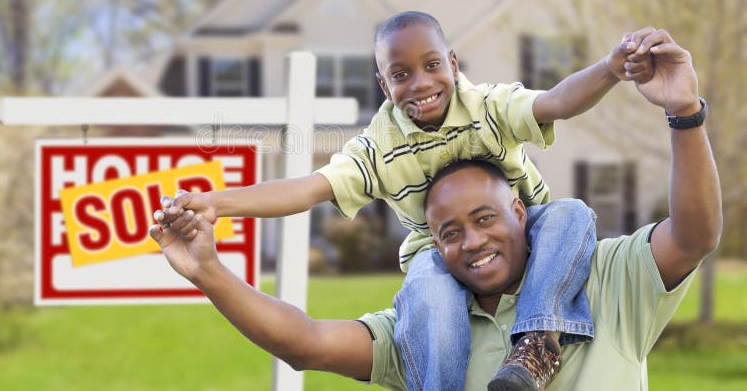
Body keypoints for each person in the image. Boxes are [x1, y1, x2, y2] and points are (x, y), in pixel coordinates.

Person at [151, 31, 720, 390]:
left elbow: (693, 234)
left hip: (555, 240)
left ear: (517, 211)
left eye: (485, 219)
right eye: (450, 230)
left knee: (572, 212)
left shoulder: (606, 281)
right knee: (425, 283)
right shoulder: (428, 319)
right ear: (383, 83)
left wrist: (671, 105)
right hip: (429, 285)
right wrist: (210, 244)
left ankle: (540, 340)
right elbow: (304, 337)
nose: (471, 240)